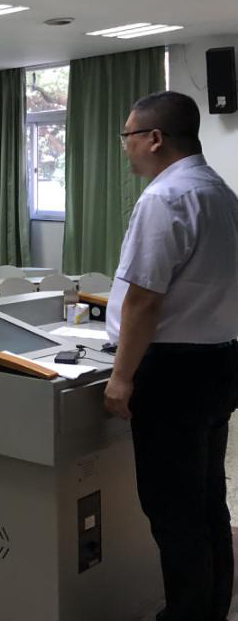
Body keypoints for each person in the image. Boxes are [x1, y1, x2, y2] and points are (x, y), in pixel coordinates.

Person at [103, 91, 238, 621]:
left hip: (174, 373)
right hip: (219, 362)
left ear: (154, 138)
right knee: (206, 500)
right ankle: (210, 608)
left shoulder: (164, 197)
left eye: (128, 137)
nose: (126, 148)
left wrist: (121, 378)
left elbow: (144, 298)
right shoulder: (221, 192)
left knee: (174, 511)